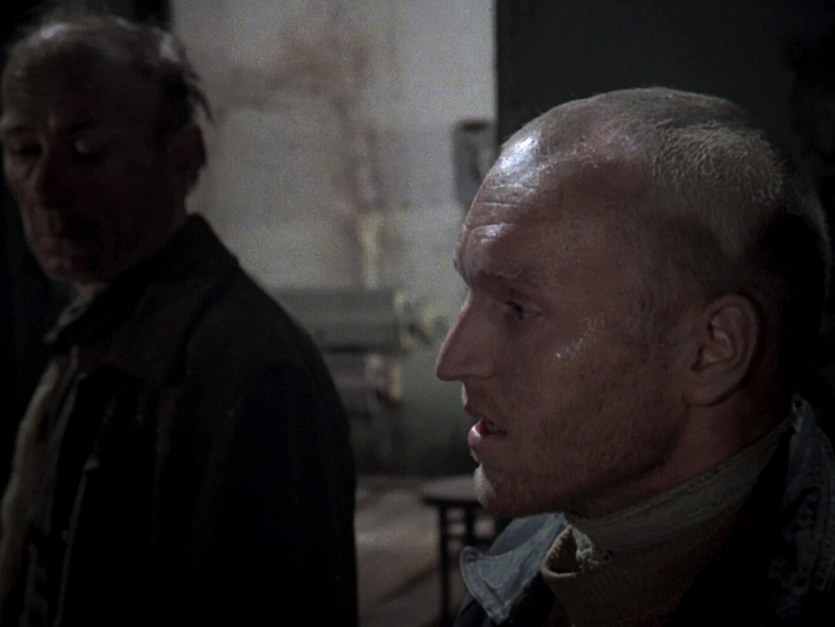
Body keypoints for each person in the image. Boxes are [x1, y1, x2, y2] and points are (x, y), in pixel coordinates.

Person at [0, 8, 357, 626]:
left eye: (87, 151)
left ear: (183, 155)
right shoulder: (93, 340)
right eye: (24, 150)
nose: (45, 186)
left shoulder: (247, 370)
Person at [435, 87, 835, 626]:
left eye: (519, 309)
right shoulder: (525, 556)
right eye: (470, 291)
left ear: (712, 349)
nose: (453, 361)